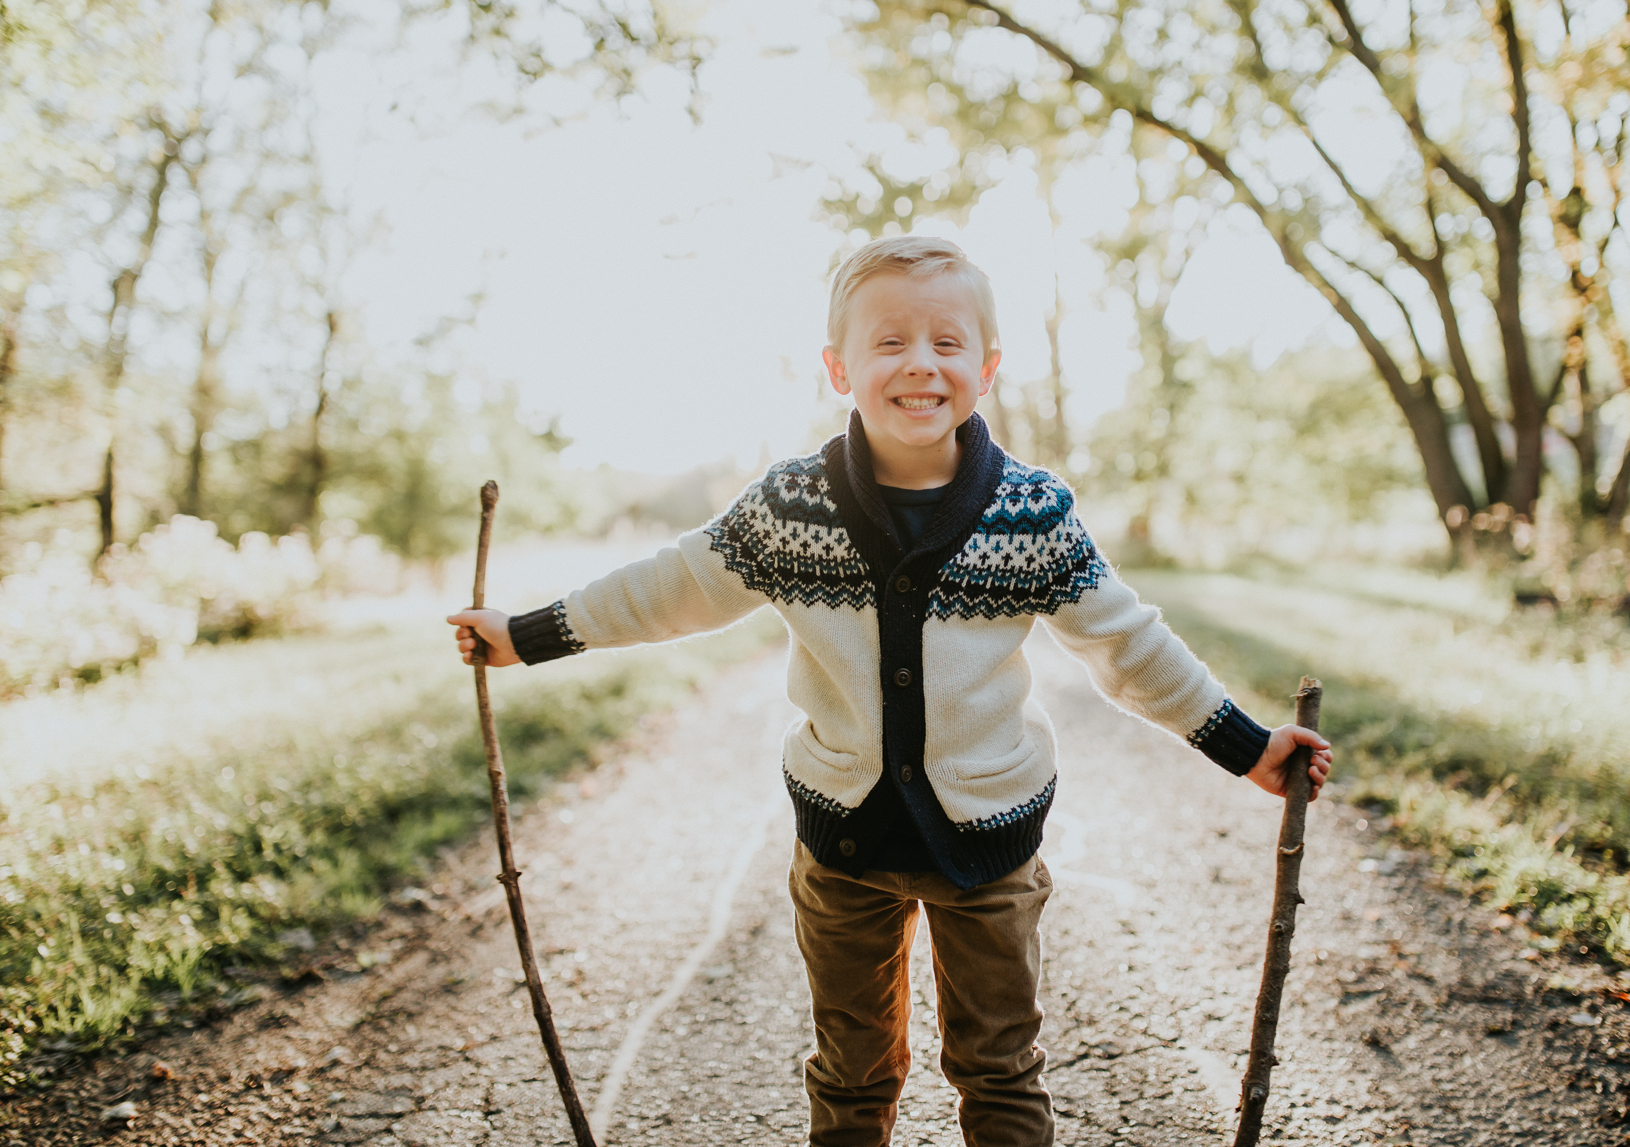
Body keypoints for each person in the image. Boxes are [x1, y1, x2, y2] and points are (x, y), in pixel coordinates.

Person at [448, 236, 1333, 1147]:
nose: (920, 363)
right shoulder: (790, 509)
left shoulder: (1030, 515)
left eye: (947, 343)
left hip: (989, 842)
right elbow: (670, 586)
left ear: (986, 369)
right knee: (852, 1074)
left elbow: (1127, 645)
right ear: (840, 367)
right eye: (889, 342)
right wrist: (527, 635)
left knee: (999, 1068)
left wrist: (1247, 747)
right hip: (844, 843)